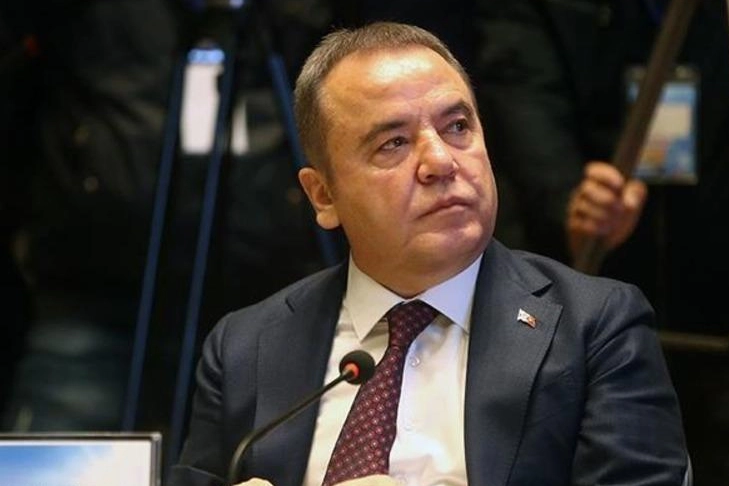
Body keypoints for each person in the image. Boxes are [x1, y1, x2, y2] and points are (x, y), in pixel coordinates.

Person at [168, 22, 688, 486]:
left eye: (457, 126)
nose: (440, 161)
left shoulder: (595, 328)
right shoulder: (245, 347)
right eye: (393, 143)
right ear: (323, 196)